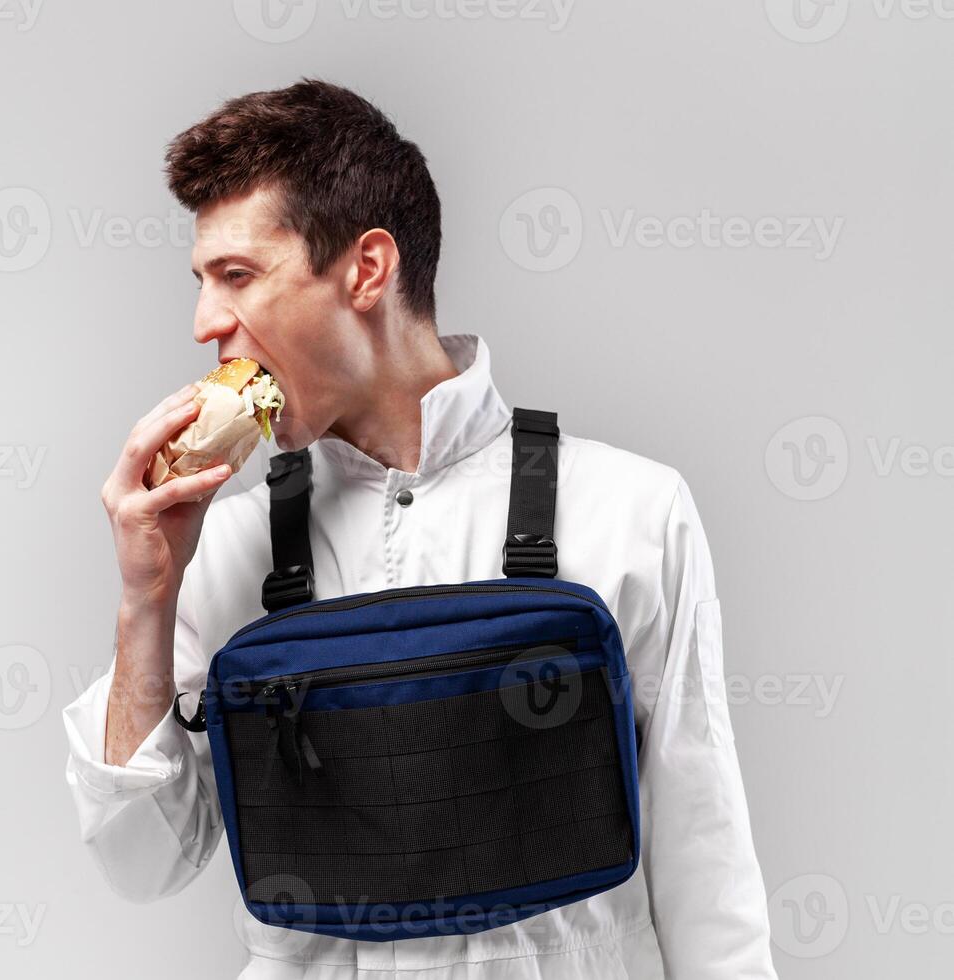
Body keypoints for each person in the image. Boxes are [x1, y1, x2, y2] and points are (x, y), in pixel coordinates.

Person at [65, 78, 777, 979]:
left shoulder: (630, 509)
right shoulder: (220, 546)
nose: (206, 322)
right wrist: (145, 596)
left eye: (237, 277)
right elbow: (139, 862)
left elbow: (703, 865)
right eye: (202, 282)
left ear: (366, 269)